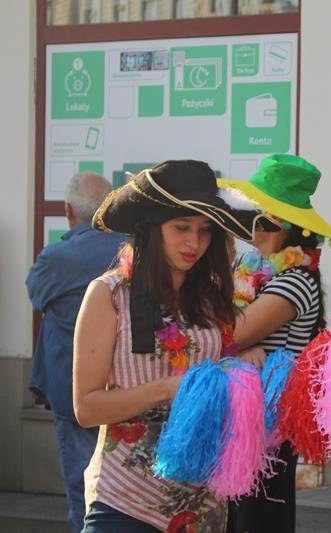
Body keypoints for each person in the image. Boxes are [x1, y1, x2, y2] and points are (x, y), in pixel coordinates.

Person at [73, 160, 262, 532]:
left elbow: (212, 372)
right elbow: (86, 408)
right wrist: (167, 388)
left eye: (205, 230)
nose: (195, 242)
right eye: (182, 227)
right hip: (126, 504)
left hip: (204, 508)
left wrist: (241, 365)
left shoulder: (210, 300)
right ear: (151, 227)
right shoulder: (108, 295)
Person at [219, 154, 331, 533]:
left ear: (285, 226)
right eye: (251, 215)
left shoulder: (295, 280)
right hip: (243, 419)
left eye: (261, 218)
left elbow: (228, 333)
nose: (251, 227)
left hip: (268, 425)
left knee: (258, 519)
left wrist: (237, 345)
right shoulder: (255, 270)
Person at [26, 172, 126, 533]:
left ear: (68, 210)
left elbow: (37, 297)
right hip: (127, 389)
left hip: (73, 389)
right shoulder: (132, 250)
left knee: (83, 490)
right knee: (126, 490)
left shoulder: (57, 257)